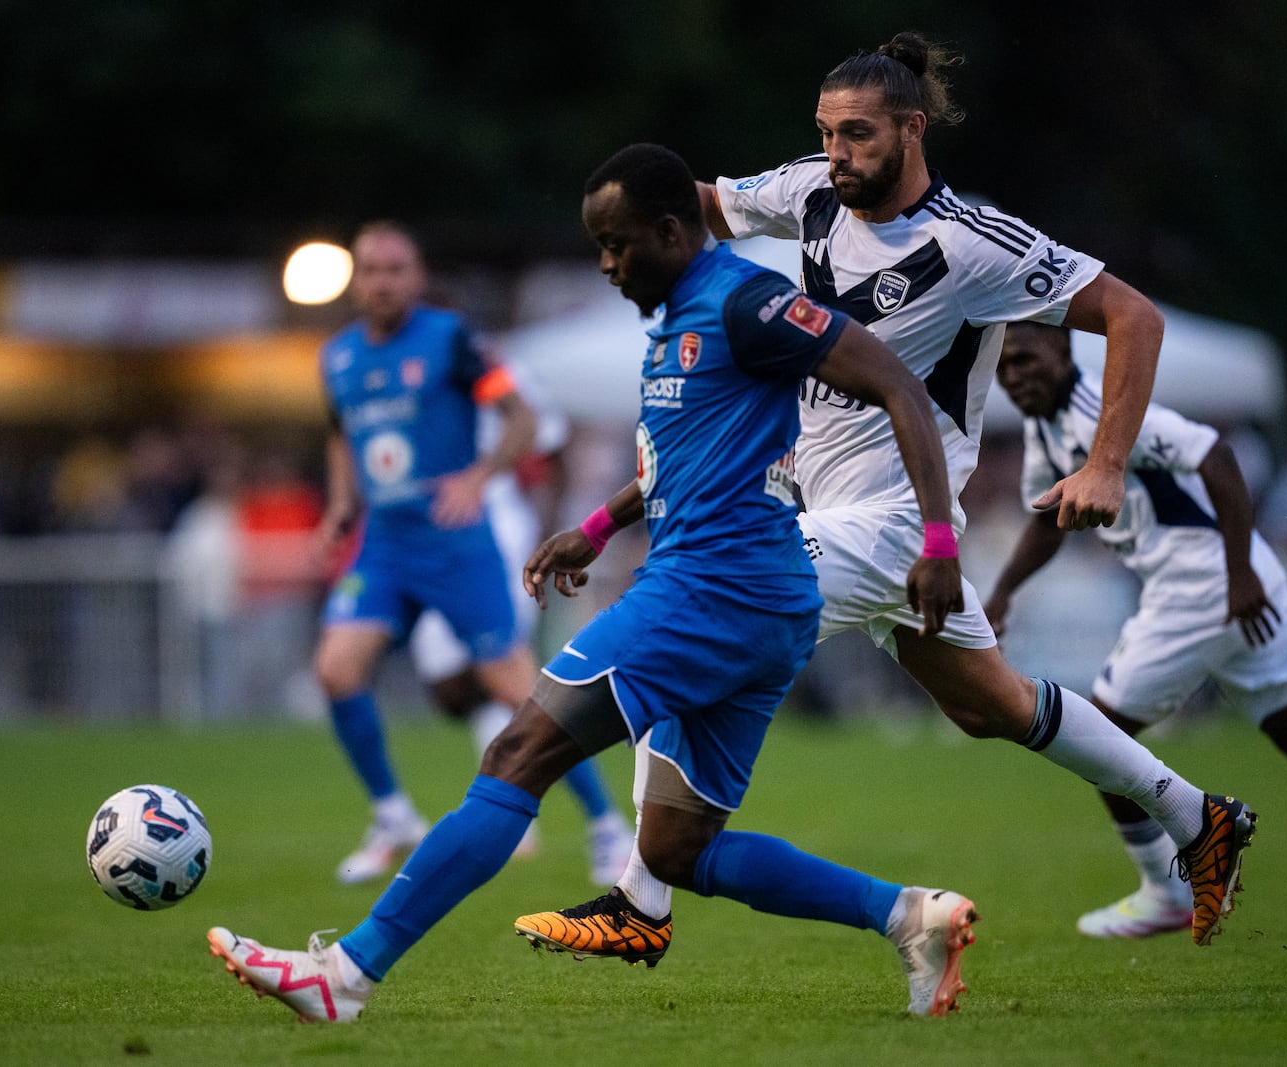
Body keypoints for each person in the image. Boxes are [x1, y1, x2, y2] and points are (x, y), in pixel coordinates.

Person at [517, 30, 1255, 960]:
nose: (837, 155)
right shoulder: (813, 192)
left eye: (857, 136)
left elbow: (1132, 315)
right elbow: (695, 205)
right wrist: (626, 211)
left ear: (912, 130)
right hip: (825, 510)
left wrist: (1105, 463)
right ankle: (1200, 818)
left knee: (691, 613)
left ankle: (640, 897)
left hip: (901, 522)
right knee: (991, 705)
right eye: (826, 135)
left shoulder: (975, 244)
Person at [207, 143, 981, 1021]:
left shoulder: (748, 300)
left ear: (669, 230)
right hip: (752, 601)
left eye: (617, 245)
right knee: (680, 850)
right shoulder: (676, 317)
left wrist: (940, 541)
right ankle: (909, 916)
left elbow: (901, 389)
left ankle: (344, 976)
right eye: (597, 246)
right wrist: (598, 527)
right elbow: (684, 460)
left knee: (514, 755)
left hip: (709, 594)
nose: (607, 265)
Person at [985, 321, 1287, 937]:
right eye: (1004, 368)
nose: (1015, 375)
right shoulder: (1045, 428)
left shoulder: (1103, 412)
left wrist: (1237, 573)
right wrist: (1002, 592)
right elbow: (1049, 522)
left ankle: (1167, 891)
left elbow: (1218, 457)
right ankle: (1169, 888)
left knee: (1096, 735)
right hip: (1233, 584)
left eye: (1026, 359)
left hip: (1203, 584)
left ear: (1064, 353)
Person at [305, 219, 556, 884]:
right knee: (335, 669)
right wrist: (339, 502)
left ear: (416, 277)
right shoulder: (337, 357)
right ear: (355, 281)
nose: (382, 282)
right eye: (370, 270)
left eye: (395, 269)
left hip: (456, 543)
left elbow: (523, 418)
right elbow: (339, 432)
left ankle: (607, 823)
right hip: (384, 547)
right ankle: (392, 814)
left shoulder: (452, 340)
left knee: (517, 692)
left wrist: (479, 475)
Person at [405, 368, 632, 886]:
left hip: (493, 538)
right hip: (433, 544)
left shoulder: (486, 369)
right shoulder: (387, 376)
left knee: (510, 686)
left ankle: (605, 826)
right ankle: (519, 815)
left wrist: (549, 530)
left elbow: (546, 439)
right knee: (459, 689)